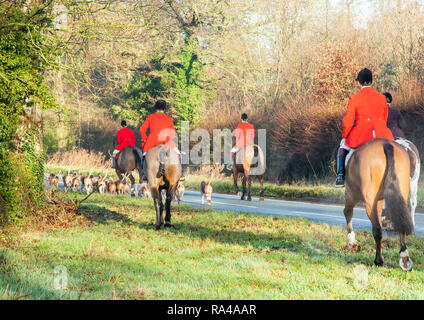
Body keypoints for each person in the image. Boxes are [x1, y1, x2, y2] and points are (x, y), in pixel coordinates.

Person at [334, 68, 394, 187]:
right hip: (381, 133)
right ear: (371, 81)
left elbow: (348, 121)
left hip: (362, 134)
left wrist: (345, 136)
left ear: (359, 82)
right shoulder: (382, 98)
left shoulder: (354, 98)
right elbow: (384, 118)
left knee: (342, 148)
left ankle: (340, 176)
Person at [139, 99, 181, 177]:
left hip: (152, 142)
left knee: (144, 155)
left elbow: (142, 129)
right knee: (178, 154)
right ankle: (180, 174)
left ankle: (143, 173)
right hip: (166, 141)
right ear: (164, 108)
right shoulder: (169, 119)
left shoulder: (150, 117)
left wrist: (145, 139)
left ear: (155, 108)